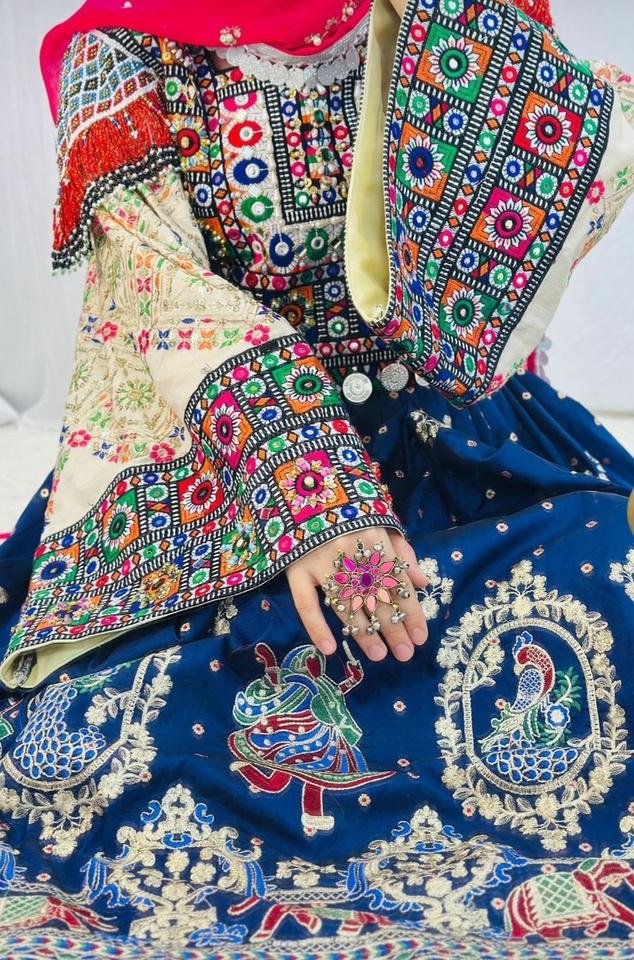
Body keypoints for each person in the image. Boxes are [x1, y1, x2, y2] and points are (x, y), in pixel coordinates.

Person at [0, 0, 632, 955]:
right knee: (134, 737)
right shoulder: (119, 51)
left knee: (607, 576)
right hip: (233, 477)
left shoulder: (448, 8)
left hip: (464, 457)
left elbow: (562, 178)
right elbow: (163, 296)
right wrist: (316, 498)